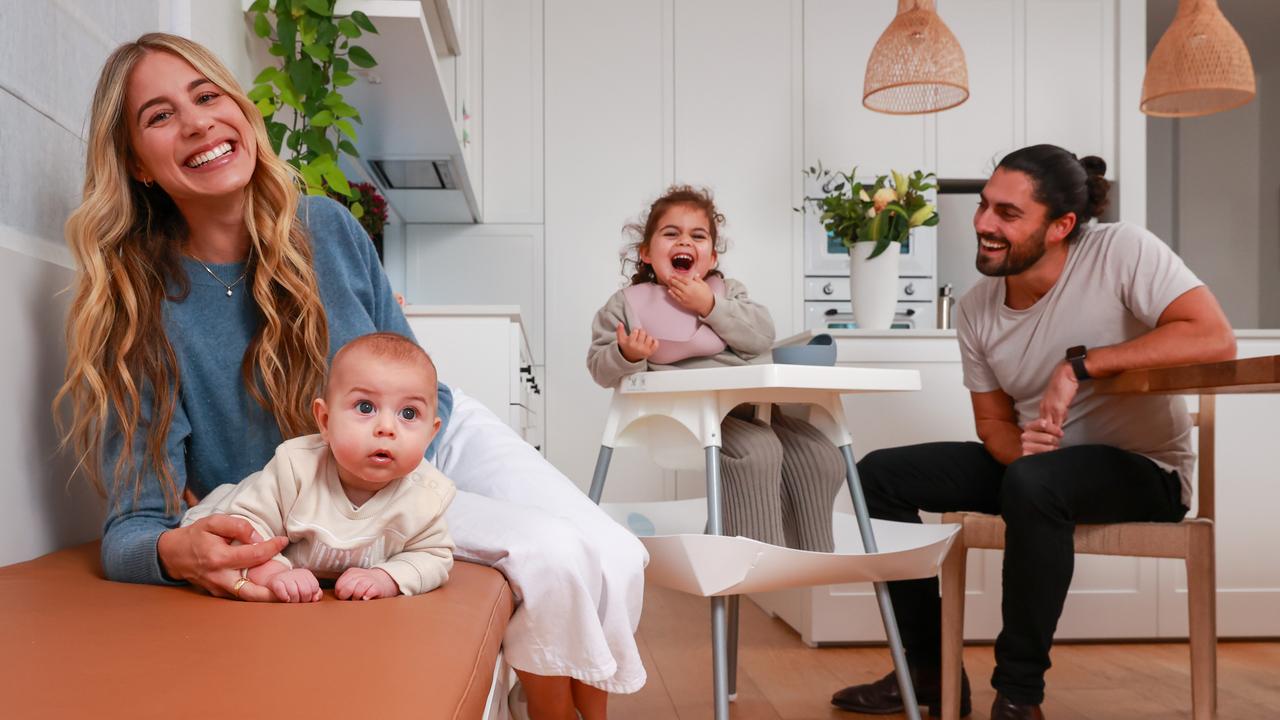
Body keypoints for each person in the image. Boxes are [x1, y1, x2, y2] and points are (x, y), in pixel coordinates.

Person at [56, 33, 645, 720]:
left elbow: (418, 378)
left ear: (241, 112)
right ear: (138, 164)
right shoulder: (142, 311)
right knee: (553, 555)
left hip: (434, 436)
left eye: (208, 95)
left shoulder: (326, 226)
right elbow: (131, 529)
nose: (197, 123)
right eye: (159, 116)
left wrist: (417, 442)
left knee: (618, 554)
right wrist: (178, 550)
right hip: (336, 493)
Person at [829, 145, 1235, 720]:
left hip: (1143, 471)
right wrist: (1019, 452)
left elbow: (1214, 337)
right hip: (1036, 472)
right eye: (983, 206)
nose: (984, 225)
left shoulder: (1120, 251)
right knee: (878, 476)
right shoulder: (975, 309)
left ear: (1060, 226)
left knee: (1034, 485)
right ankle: (927, 672)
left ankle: (1019, 697)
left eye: (1008, 214)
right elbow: (993, 421)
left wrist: (1080, 366)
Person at [587, 185, 846, 552]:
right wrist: (627, 354)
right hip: (686, 413)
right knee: (756, 449)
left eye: (698, 235)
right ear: (646, 253)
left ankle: (810, 558)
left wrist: (711, 306)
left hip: (752, 406)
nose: (685, 242)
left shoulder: (726, 292)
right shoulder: (626, 306)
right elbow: (598, 366)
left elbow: (761, 336)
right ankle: (757, 557)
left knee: (819, 453)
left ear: (710, 257)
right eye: (671, 233)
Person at [181, 332, 455, 603]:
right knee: (213, 526)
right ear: (325, 421)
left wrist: (386, 578)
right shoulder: (294, 468)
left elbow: (433, 557)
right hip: (229, 503)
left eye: (408, 413)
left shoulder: (427, 494)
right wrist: (273, 572)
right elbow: (244, 528)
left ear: (430, 435)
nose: (386, 428)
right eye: (365, 407)